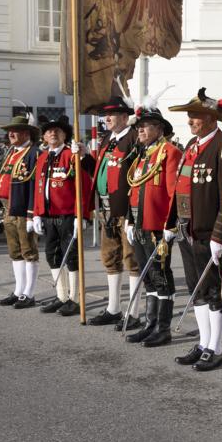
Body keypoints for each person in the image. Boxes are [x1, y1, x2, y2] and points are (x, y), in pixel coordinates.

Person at [167, 89, 222, 370]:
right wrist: (171, 223)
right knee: (196, 289)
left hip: (207, 231)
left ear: (211, 118)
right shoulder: (193, 145)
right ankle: (205, 342)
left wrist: (221, 234)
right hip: (186, 226)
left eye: (196, 116)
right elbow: (179, 188)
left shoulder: (221, 146)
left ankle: (216, 348)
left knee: (214, 290)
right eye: (190, 116)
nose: (191, 120)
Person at [123, 99, 182, 346]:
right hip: (139, 224)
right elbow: (133, 189)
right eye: (139, 127)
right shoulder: (141, 155)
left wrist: (171, 225)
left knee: (161, 276)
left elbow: (174, 192)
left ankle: (163, 328)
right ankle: (150, 324)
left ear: (159, 128)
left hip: (157, 226)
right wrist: (128, 220)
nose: (141, 131)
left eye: (146, 126)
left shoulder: (169, 152)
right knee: (148, 277)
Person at [86, 96, 141, 328]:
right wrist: (83, 158)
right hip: (106, 209)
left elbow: (137, 177)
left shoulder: (133, 138)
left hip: (125, 208)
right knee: (111, 258)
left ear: (123, 117)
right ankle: (114, 308)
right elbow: (100, 170)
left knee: (132, 260)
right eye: (105, 115)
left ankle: (134, 312)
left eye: (111, 115)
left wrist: (132, 215)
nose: (106, 119)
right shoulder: (108, 139)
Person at [32, 116, 94, 316]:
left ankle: (74, 299)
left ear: (65, 134)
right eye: (49, 131)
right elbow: (39, 189)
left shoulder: (71, 155)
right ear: (43, 136)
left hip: (68, 215)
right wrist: (36, 214)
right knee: (52, 255)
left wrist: (82, 215)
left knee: (72, 257)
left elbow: (83, 188)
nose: (53, 133)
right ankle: (61, 296)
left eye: (57, 130)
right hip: (49, 215)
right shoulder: (42, 158)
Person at [0, 116, 41, 309]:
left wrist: (32, 213)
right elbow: (4, 178)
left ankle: (29, 293)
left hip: (22, 209)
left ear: (26, 133)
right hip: (8, 208)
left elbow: (34, 186)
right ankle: (18, 290)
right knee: (15, 252)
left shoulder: (34, 153)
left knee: (28, 251)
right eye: (9, 131)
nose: (10, 134)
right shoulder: (12, 151)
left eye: (15, 130)